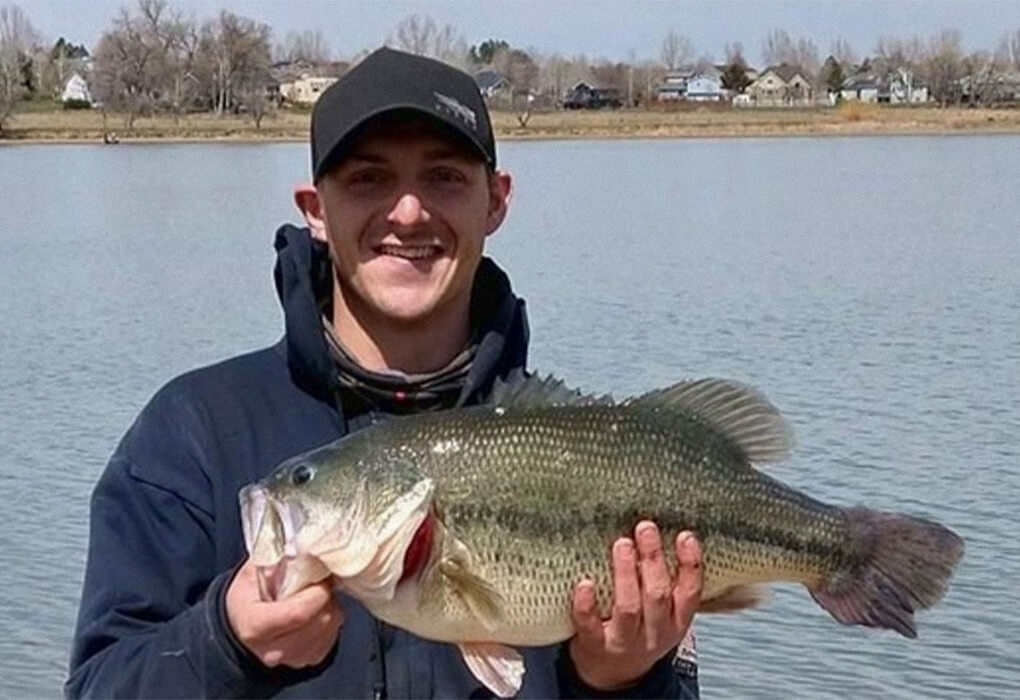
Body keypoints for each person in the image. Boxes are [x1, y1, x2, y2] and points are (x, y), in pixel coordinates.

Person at [66, 47, 702, 699]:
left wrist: (620, 681)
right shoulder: (192, 434)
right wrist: (224, 643)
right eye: (369, 179)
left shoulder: (590, 454)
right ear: (315, 209)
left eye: (444, 177)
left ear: (496, 201)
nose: (407, 212)